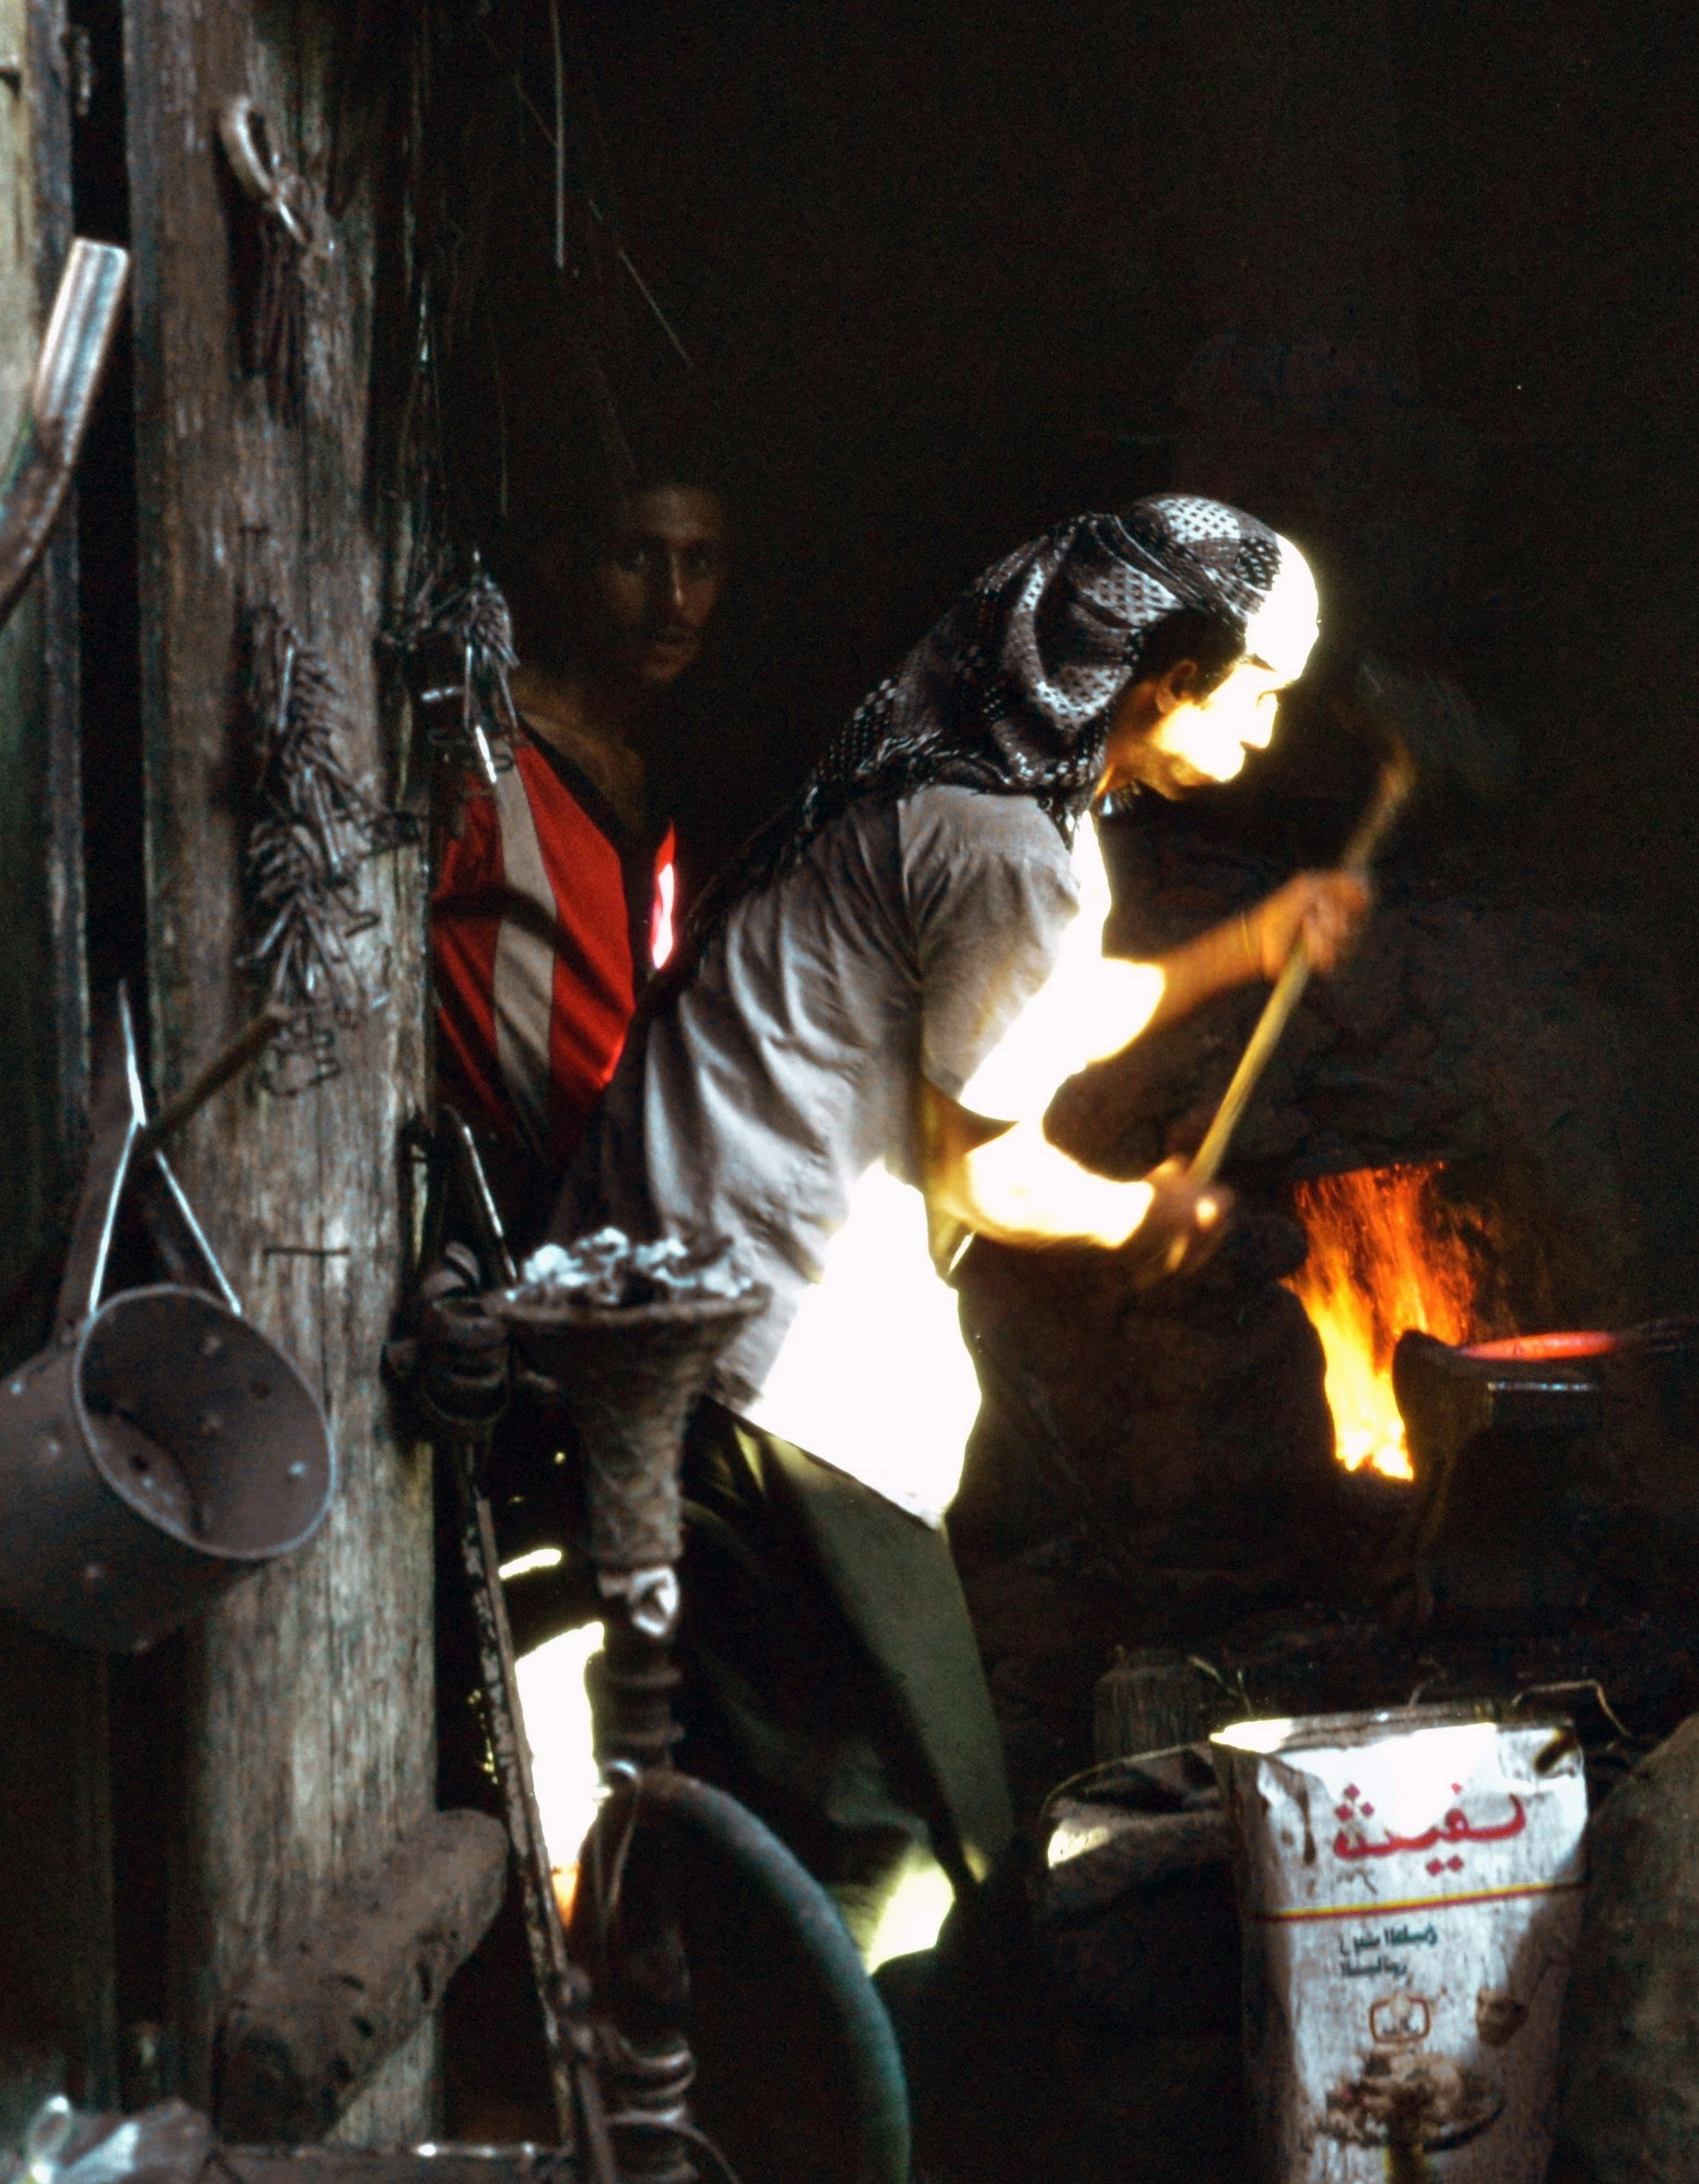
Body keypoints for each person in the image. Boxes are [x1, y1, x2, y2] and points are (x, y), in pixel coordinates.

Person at [556, 497, 1368, 1956]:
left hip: (678, 1307)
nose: (1264, 729)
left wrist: (1244, 952)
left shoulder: (961, 790)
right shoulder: (1010, 849)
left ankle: (776, 2130)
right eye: (1253, 690)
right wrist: (1142, 1213)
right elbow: (987, 1177)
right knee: (914, 1832)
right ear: (1154, 674)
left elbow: (1018, 1015)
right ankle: (864, 2159)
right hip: (763, 1354)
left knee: (775, 1780)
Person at [433, 472, 731, 1237]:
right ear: (562, 565)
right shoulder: (487, 755)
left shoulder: (654, 766)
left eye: (699, 565)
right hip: (511, 1217)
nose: (672, 603)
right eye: (637, 559)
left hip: (629, 1208)